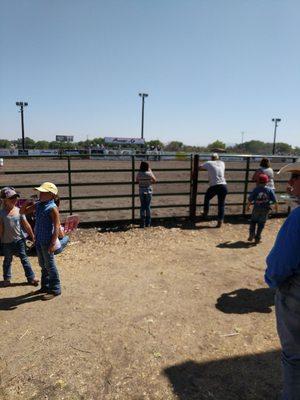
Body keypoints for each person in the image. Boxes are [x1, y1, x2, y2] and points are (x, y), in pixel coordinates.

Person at [265, 161, 300, 399]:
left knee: (295, 358)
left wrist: (272, 280)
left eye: (295, 177)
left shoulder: (298, 218)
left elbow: (279, 266)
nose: (290, 183)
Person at [20, 182, 62, 300]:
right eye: (40, 192)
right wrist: (26, 203)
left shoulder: (52, 208)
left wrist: (53, 243)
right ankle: (46, 286)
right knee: (43, 265)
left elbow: (57, 227)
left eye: (44, 192)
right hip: (39, 240)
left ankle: (55, 289)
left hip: (47, 241)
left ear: (51, 195)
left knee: (50, 265)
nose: (40, 194)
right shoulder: (39, 205)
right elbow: (22, 212)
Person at [0, 187, 39, 287]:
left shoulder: (19, 211)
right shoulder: (1, 213)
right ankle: (7, 279)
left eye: (15, 197)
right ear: (4, 200)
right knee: (7, 260)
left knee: (24, 259)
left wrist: (32, 236)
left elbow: (26, 225)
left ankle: (31, 277)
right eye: (11, 198)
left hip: (19, 240)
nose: (14, 200)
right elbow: (1, 228)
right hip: (6, 242)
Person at [246, 174, 277, 244]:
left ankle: (252, 234)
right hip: (265, 210)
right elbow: (275, 201)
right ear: (267, 182)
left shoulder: (256, 189)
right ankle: (257, 238)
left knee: (253, 221)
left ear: (258, 181)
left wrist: (247, 207)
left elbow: (250, 200)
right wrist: (276, 208)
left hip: (256, 209)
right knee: (261, 224)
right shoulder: (269, 190)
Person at [199, 153, 228, 228]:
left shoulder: (209, 163)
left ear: (211, 158)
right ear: (218, 158)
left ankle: (205, 214)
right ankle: (220, 221)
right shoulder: (222, 163)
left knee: (207, 198)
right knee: (221, 204)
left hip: (215, 185)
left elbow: (200, 167)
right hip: (224, 185)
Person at [136, 162, 157, 228]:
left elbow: (137, 181)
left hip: (141, 191)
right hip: (148, 191)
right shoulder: (149, 173)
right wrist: (150, 171)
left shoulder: (139, 173)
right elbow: (154, 180)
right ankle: (148, 223)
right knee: (148, 206)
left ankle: (142, 223)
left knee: (142, 206)